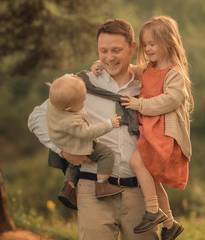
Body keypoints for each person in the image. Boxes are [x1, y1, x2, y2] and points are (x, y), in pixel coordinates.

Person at [28, 19, 160, 240]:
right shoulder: (81, 84)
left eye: (116, 50)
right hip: (93, 189)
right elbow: (37, 117)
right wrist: (64, 151)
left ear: (133, 48)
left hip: (139, 191)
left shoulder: (147, 85)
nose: (109, 57)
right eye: (103, 51)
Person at [118, 16, 192, 240]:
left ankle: (152, 211)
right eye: (146, 44)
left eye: (153, 44)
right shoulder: (150, 68)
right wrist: (102, 65)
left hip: (163, 133)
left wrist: (139, 104)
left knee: (136, 162)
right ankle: (169, 223)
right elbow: (130, 69)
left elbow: (170, 100)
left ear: (168, 42)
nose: (148, 48)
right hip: (150, 129)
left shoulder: (174, 73)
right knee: (150, 174)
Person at [46, 75, 124, 210]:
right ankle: (102, 185)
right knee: (106, 154)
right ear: (68, 108)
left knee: (74, 164)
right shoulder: (72, 122)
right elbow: (88, 132)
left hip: (65, 143)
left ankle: (68, 187)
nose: (84, 102)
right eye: (82, 101)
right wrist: (109, 124)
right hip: (78, 145)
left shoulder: (53, 105)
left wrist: (72, 80)